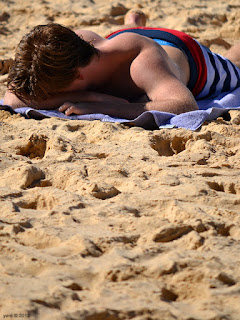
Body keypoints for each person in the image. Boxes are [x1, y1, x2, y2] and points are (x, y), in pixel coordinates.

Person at [3, 10, 240, 119]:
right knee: (125, 36)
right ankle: (132, 22)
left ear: (78, 77)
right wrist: (93, 99)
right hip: (122, 38)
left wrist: (107, 108)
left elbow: (186, 106)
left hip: (187, 55)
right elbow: (13, 98)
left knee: (234, 63)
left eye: (54, 91)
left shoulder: (140, 64)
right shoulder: (69, 46)